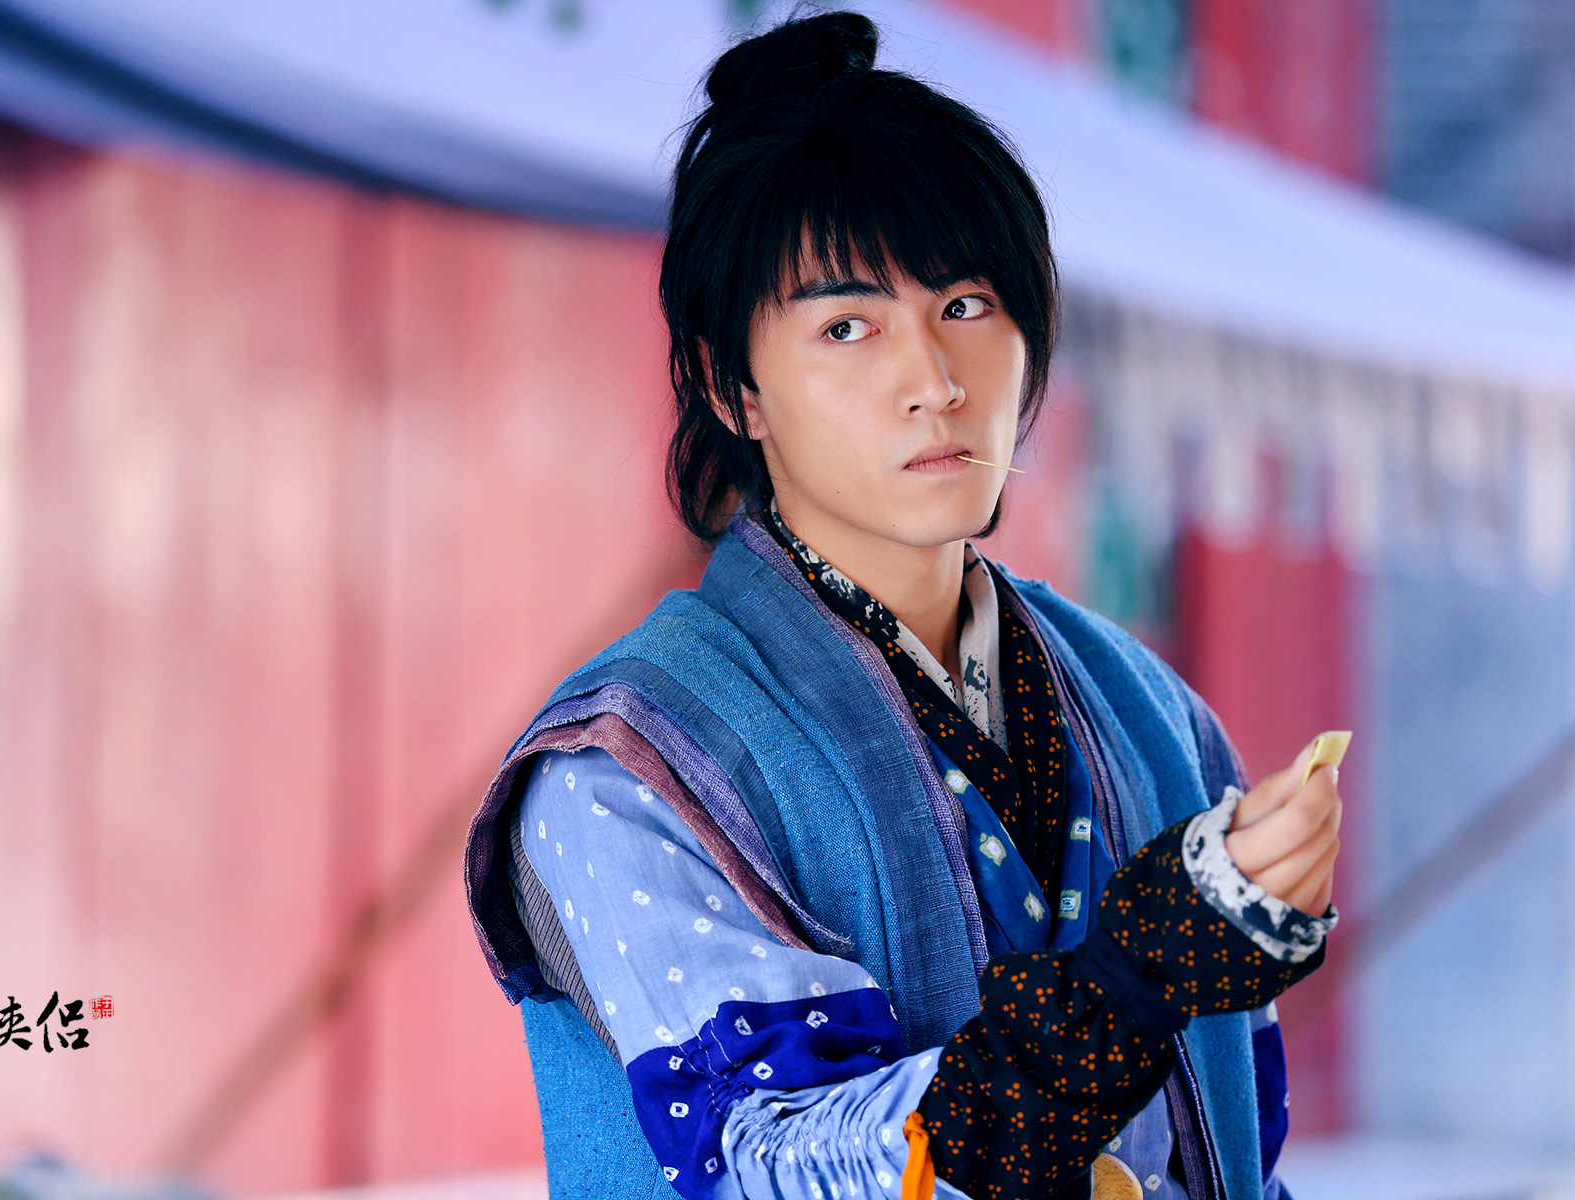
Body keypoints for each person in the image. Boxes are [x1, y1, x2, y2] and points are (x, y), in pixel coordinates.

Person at [463, 12, 1342, 1200]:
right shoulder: (627, 768)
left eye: (967, 306)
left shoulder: (1152, 714)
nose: (934, 382)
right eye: (847, 326)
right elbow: (789, 1163)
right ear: (733, 385)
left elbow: (1242, 1154)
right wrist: (1140, 970)